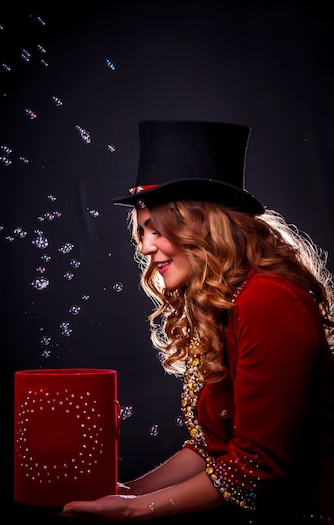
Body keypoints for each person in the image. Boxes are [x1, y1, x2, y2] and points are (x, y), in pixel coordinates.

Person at [61, 120, 334, 523]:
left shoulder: (268, 300)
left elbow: (256, 468)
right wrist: (126, 491)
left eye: (157, 229)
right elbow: (212, 446)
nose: (146, 247)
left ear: (202, 225)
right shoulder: (225, 303)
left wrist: (134, 511)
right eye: (142, 232)